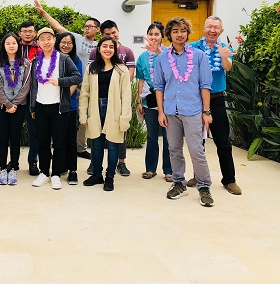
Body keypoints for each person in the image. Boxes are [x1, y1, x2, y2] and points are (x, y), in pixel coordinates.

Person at [153, 17, 215, 207]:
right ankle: (178, 183)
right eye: (175, 31)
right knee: (173, 149)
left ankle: (204, 186)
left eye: (183, 30)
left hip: (193, 109)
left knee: (197, 150)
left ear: (187, 33)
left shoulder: (198, 56)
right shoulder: (162, 58)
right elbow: (159, 87)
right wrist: (161, 112)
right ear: (169, 35)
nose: (179, 34)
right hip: (171, 110)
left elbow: (205, 85)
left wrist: (206, 111)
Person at [33, 2, 99, 162]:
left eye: (91, 26)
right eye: (86, 25)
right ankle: (60, 163)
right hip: (66, 90)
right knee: (64, 130)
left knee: (83, 122)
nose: (87, 28)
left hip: (89, 87)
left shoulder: (100, 46)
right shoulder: (74, 40)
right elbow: (58, 28)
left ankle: (80, 149)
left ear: (98, 29)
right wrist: (43, 13)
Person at [189, 16, 242, 195]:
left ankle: (229, 179)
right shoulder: (194, 47)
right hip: (196, 99)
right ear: (204, 28)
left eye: (216, 27)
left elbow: (228, 68)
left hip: (217, 99)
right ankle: (199, 175)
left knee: (223, 141)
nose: (213, 30)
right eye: (210, 26)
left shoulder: (225, 47)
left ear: (221, 31)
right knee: (198, 141)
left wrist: (223, 57)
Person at [29, 27, 82, 190]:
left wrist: (60, 81)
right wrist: (32, 106)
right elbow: (33, 86)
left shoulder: (63, 59)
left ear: (54, 40)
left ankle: (56, 174)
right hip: (40, 106)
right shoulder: (36, 61)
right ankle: (44, 172)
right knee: (43, 142)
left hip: (59, 108)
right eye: (42, 39)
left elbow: (77, 77)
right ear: (38, 43)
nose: (46, 41)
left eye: (49, 38)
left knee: (59, 143)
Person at [79, 36, 132, 191]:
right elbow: (84, 93)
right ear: (99, 49)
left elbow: (126, 95)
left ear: (115, 50)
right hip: (95, 109)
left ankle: (109, 177)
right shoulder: (92, 68)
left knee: (114, 144)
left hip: (114, 110)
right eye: (105, 46)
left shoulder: (121, 69)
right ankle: (97, 174)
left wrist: (124, 117)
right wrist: (83, 115)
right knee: (96, 144)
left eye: (111, 47)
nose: (108, 49)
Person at [88, 20, 135, 177]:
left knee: (116, 139)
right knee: (96, 140)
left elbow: (127, 86)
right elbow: (88, 87)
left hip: (115, 103)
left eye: (113, 33)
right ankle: (96, 170)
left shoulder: (126, 54)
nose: (111, 37)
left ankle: (115, 170)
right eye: (107, 36)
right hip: (96, 104)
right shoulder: (93, 59)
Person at [0, 33, 32, 185]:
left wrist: (14, 103)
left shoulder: (26, 63)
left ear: (18, 45)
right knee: (3, 138)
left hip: (19, 106)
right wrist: (8, 105)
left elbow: (26, 85)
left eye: (14, 43)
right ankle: (3, 168)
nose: (11, 45)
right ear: (4, 45)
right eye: (8, 43)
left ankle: (14, 167)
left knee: (15, 138)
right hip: (1, 106)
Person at [136, 22, 173, 182]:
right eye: (150, 34)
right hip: (149, 100)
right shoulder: (142, 57)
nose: (153, 37)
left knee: (169, 137)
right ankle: (150, 169)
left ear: (162, 36)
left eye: (157, 34)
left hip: (168, 100)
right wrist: (139, 100)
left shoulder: (170, 53)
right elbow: (141, 79)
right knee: (152, 136)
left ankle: (169, 170)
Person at [54, 32, 83, 185]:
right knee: (58, 140)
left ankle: (73, 170)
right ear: (58, 43)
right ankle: (60, 168)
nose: (66, 45)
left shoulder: (76, 60)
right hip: (52, 106)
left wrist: (62, 100)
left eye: (69, 43)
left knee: (70, 139)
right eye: (63, 42)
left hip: (68, 106)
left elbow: (75, 82)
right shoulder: (51, 59)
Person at [18, 21, 41, 176]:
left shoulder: (41, 50)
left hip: (34, 96)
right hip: (16, 96)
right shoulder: (13, 47)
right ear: (20, 33)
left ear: (35, 33)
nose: (27, 33)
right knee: (14, 131)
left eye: (30, 31)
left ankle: (33, 161)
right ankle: (12, 160)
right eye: (24, 31)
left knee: (34, 132)